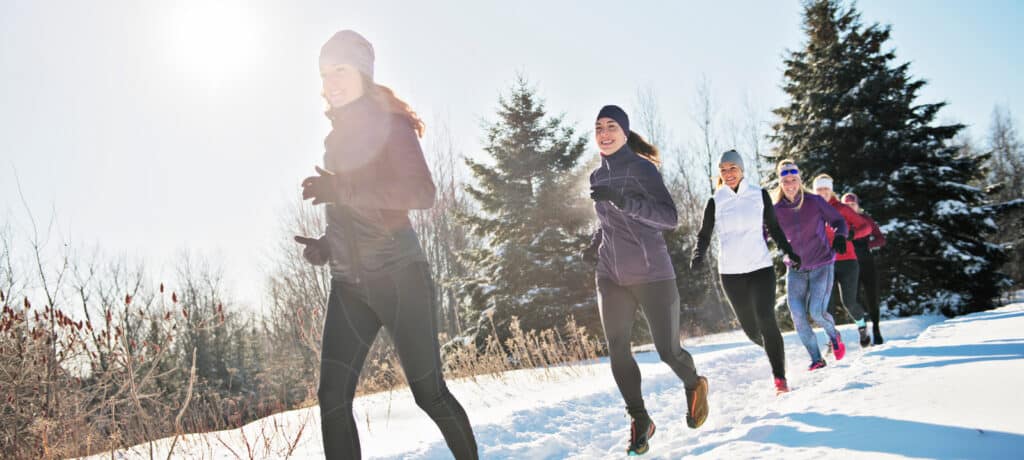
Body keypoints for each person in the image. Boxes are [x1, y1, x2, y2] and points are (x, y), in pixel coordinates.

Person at [295, 30, 478, 459]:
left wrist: (344, 187)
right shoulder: (335, 138)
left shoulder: (391, 125)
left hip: (400, 276)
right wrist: (328, 245)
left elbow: (421, 193)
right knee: (332, 398)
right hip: (350, 286)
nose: (331, 81)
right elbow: (355, 211)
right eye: (324, 73)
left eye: (340, 69)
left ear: (362, 72)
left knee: (429, 394)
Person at [586, 105, 709, 456]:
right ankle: (640, 419)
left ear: (624, 132)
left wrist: (625, 201)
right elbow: (607, 221)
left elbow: (669, 217)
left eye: (611, 126)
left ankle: (694, 383)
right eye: (598, 127)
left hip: (652, 273)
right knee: (618, 348)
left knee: (668, 351)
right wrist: (593, 244)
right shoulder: (596, 176)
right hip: (611, 275)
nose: (604, 132)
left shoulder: (643, 169)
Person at [691, 150, 802, 395]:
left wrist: (789, 251)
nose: (728, 174)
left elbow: (774, 228)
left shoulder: (758, 195)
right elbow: (704, 234)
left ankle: (779, 377)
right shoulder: (715, 200)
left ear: (742, 169)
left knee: (766, 319)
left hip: (760, 268)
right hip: (731, 273)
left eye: (733, 168)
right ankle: (775, 352)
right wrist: (698, 254)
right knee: (751, 330)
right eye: (724, 170)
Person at [772, 160, 849, 370]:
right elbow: (763, 233)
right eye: (785, 180)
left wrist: (840, 236)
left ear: (799, 180)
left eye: (794, 180)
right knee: (797, 314)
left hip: (821, 264)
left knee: (816, 312)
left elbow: (839, 221)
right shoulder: (775, 210)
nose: (790, 184)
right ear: (780, 182)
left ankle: (834, 335)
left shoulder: (814, 202)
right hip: (795, 269)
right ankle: (816, 358)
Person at [812, 174, 873, 347]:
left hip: (847, 262)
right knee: (826, 306)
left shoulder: (842, 208)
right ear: (815, 191)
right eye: (819, 189)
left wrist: (852, 234)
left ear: (831, 190)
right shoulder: (811, 209)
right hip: (824, 263)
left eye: (826, 189)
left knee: (849, 302)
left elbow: (866, 227)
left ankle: (862, 327)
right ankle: (833, 341)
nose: (823, 192)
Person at [842, 192, 887, 344]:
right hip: (849, 265)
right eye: (846, 205)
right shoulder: (840, 220)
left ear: (858, 205)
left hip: (867, 263)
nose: (850, 207)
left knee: (872, 297)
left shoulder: (866, 220)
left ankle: (876, 329)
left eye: (853, 204)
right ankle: (862, 328)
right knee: (854, 300)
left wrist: (867, 245)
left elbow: (881, 239)